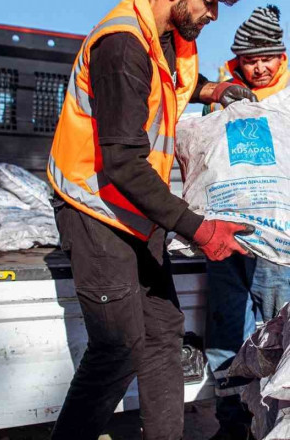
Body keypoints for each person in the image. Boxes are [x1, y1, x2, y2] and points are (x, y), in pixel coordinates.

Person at [46, 1, 257, 439]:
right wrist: (199, 228)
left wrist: (212, 91)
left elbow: (172, 86)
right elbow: (122, 161)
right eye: (211, 1)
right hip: (96, 211)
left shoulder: (163, 40)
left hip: (137, 212)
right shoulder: (122, 45)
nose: (214, 14)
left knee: (163, 333)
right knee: (116, 349)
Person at [202, 5, 290, 439]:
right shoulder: (222, 95)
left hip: (285, 241)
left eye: (267, 57)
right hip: (230, 234)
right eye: (250, 59)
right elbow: (210, 162)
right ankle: (232, 426)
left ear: (281, 57)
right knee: (227, 332)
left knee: (279, 332)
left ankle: (281, 426)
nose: (260, 67)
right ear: (238, 61)